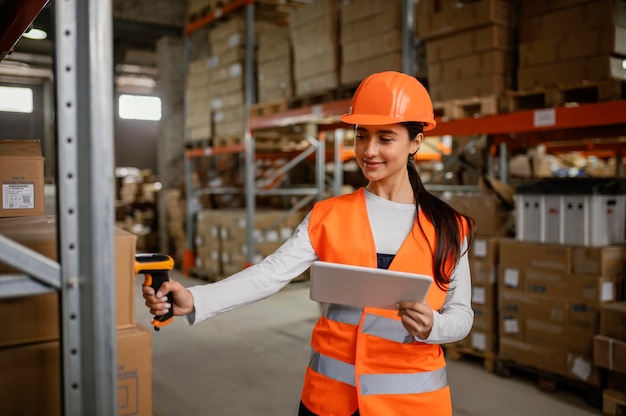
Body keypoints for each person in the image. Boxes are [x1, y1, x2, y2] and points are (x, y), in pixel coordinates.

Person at [143, 71, 476, 416]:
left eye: (385, 138)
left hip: (412, 407)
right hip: (329, 402)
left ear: (416, 142)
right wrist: (196, 298)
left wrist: (435, 327)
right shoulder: (329, 215)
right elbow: (269, 274)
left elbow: (461, 314)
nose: (369, 150)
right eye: (361, 136)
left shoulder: (450, 227)